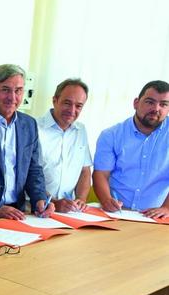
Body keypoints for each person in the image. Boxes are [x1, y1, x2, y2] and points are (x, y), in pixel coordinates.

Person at [0, 64, 54, 220]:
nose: (12, 97)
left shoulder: (29, 124)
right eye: (5, 90)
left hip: (17, 212)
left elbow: (34, 168)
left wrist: (39, 198)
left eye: (18, 91)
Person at [93, 80, 169, 218]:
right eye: (150, 102)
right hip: (117, 213)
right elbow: (101, 174)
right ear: (136, 103)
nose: (156, 109)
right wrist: (106, 200)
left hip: (158, 216)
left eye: (163, 104)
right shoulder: (111, 135)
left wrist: (166, 208)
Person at [36, 78, 92, 212]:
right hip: (36, 207)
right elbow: (28, 174)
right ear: (55, 100)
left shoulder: (81, 130)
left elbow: (85, 171)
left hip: (68, 210)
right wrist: (54, 202)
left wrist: (81, 199)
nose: (72, 110)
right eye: (67, 103)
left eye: (78, 106)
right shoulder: (34, 127)